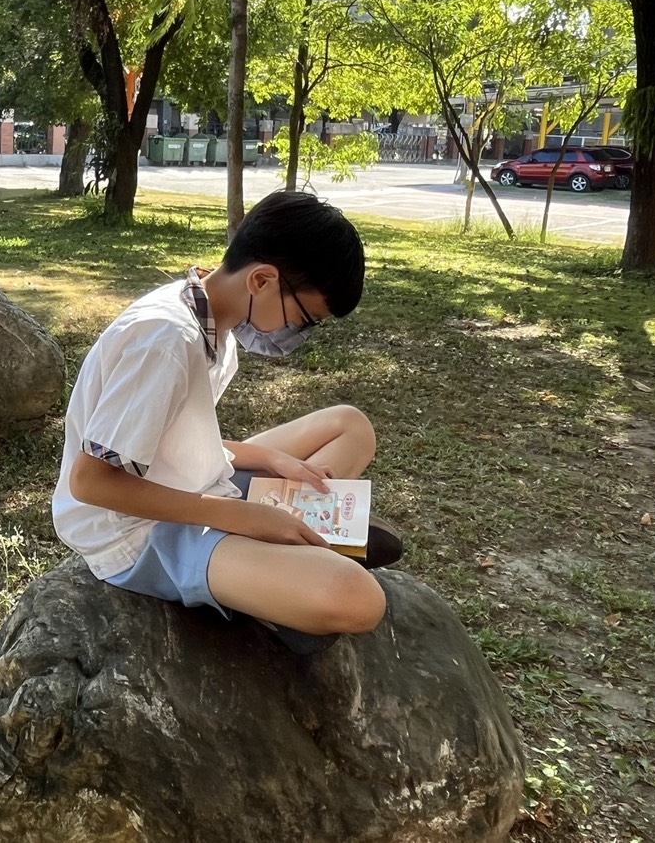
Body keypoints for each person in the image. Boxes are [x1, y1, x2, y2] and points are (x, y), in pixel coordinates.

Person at [51, 191, 402, 652]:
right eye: (305, 320)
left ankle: (295, 548)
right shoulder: (165, 341)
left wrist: (271, 460)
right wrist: (241, 516)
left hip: (190, 483)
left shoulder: (211, 319)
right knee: (358, 600)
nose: (298, 335)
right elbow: (92, 481)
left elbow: (172, 438)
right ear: (262, 279)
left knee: (349, 426)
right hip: (136, 530)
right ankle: (286, 569)